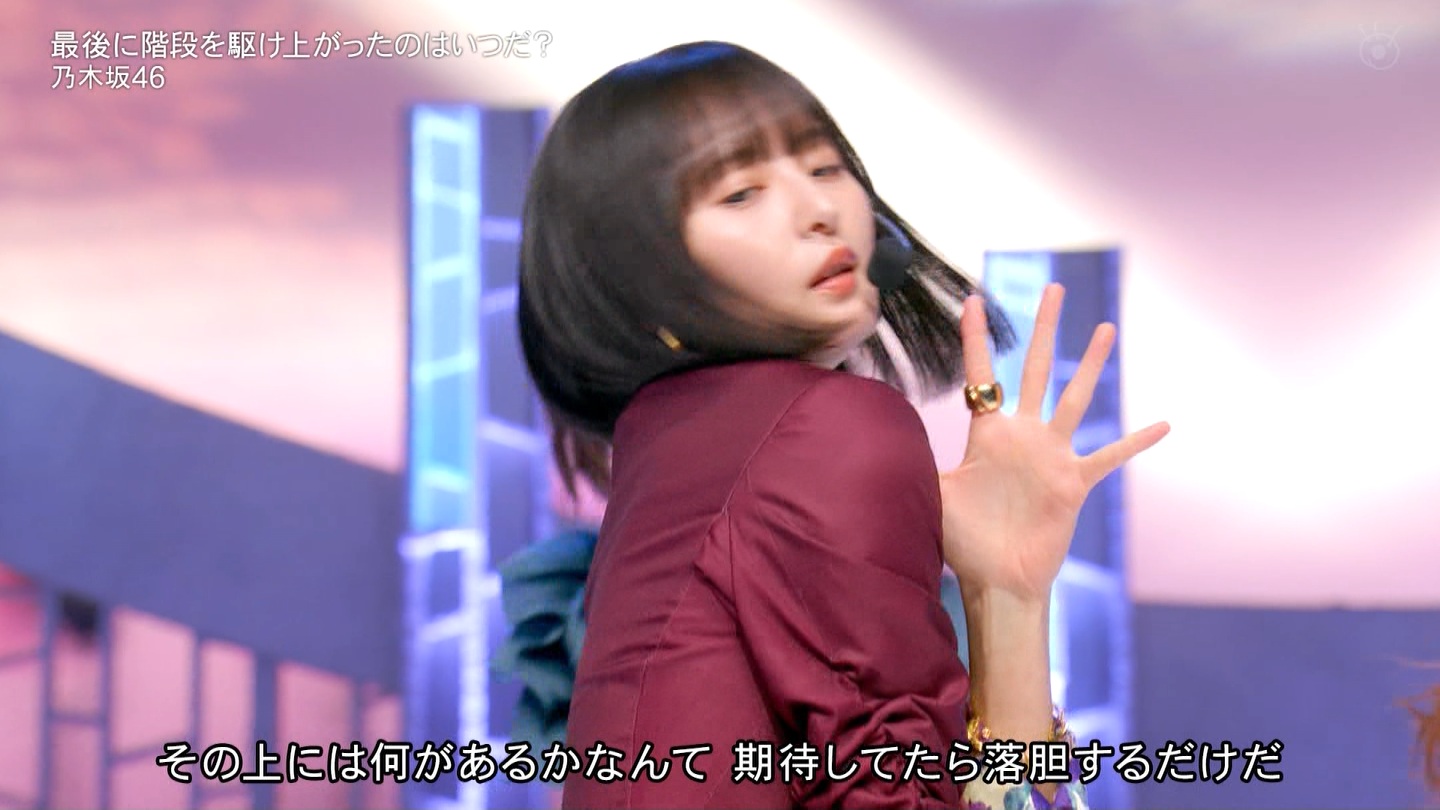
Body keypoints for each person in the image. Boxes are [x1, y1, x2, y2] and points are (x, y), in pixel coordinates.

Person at [516, 40, 1169, 809]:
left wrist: (1007, 599)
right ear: (641, 285)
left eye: (824, 167)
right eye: (740, 193)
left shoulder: (673, 439)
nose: (820, 210)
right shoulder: (818, 425)